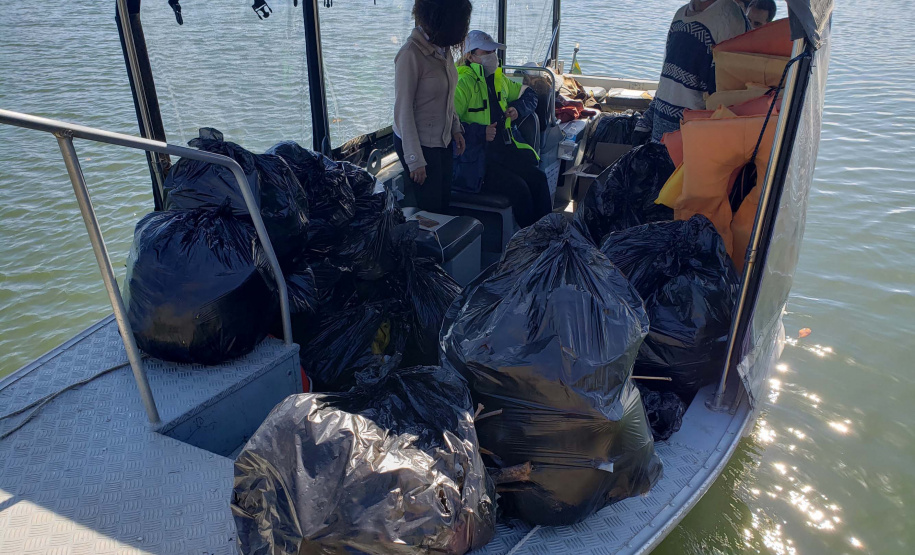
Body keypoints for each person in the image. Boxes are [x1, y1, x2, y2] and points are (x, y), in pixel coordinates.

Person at [452, 30, 551, 228]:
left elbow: (529, 94)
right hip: (475, 162)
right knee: (520, 189)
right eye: (487, 52)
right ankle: (529, 245)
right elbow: (447, 125)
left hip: (502, 152)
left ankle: (550, 236)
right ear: (471, 56)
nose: (493, 57)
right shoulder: (461, 83)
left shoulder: (499, 79)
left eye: (494, 52)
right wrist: (480, 132)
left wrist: (518, 109)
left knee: (539, 178)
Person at [393, 0, 472, 213]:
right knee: (432, 209)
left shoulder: (443, 49)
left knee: (444, 203)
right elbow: (403, 111)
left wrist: (456, 129)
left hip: (442, 140)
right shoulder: (410, 54)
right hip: (418, 142)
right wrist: (415, 159)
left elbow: (447, 96)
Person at [635, 0, 749, 143]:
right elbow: (666, 81)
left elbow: (729, 98)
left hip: (693, 143)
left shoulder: (730, 19)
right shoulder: (679, 15)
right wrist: (646, 122)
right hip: (660, 138)